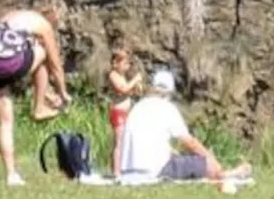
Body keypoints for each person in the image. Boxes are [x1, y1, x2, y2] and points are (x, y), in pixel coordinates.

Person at [0, 6, 71, 186]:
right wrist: (63, 93)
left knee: (5, 121)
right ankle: (39, 107)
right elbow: (56, 66)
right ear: (52, 18)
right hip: (7, 61)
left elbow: (3, 47)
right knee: (43, 52)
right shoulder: (43, 25)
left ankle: (11, 175)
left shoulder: (11, 16)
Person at [118, 69, 250, 188]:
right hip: (154, 171)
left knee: (180, 158)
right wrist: (209, 157)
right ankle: (226, 174)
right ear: (169, 92)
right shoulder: (167, 108)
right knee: (206, 163)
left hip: (128, 171)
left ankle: (226, 173)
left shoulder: (137, 107)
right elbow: (190, 143)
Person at [107, 48, 144, 177]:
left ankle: (123, 167)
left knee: (124, 141)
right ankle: (116, 171)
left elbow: (129, 92)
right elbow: (122, 89)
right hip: (117, 112)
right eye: (124, 63)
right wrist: (134, 81)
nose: (127, 66)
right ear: (115, 63)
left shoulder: (123, 76)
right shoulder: (113, 75)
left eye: (128, 63)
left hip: (126, 112)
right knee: (118, 142)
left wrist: (137, 87)